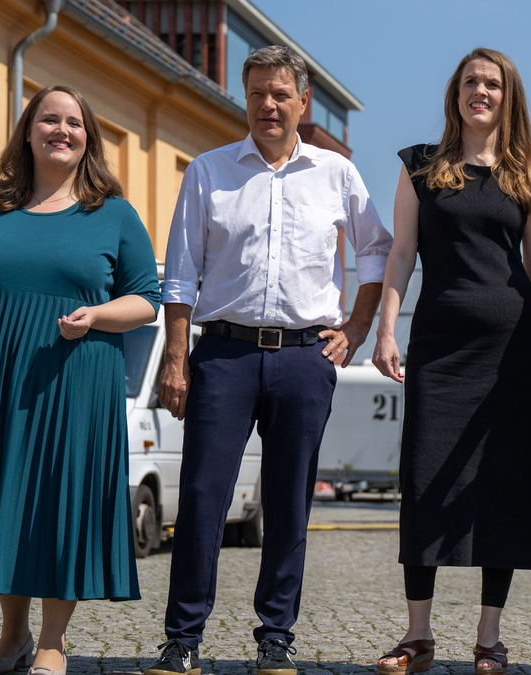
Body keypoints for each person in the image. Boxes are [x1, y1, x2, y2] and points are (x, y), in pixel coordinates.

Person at [145, 45, 392, 675]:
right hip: (223, 354)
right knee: (202, 496)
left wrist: (357, 327)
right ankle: (183, 639)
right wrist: (177, 360)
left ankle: (275, 636)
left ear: (303, 102)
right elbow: (179, 276)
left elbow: (377, 253)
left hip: (305, 358)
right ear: (245, 100)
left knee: (288, 503)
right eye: (257, 94)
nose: (270, 105)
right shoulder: (209, 171)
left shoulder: (336, 174)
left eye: (282, 94)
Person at [0, 85, 161, 675]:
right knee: (5, 499)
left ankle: (53, 640)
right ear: (28, 131)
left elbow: (147, 302)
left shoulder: (113, 212)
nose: (62, 130)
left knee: (62, 503)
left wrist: (98, 316)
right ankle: (11, 636)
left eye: (74, 122)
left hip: (75, 379)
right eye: (49, 120)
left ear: (88, 137)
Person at [370, 47, 531, 675]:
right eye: (471, 81)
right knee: (423, 480)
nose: (481, 91)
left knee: (502, 482)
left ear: (508, 97)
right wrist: (386, 331)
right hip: (439, 347)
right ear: (455, 94)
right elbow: (401, 256)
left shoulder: (529, 176)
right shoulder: (421, 166)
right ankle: (417, 636)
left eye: (492, 83)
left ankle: (489, 636)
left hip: (514, 351)